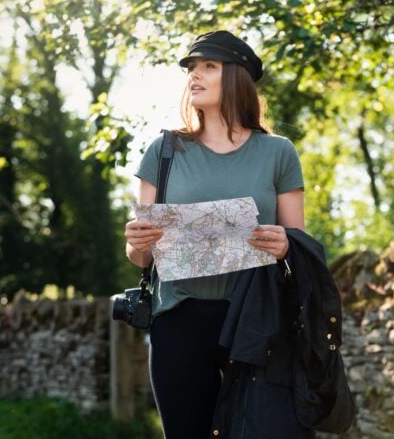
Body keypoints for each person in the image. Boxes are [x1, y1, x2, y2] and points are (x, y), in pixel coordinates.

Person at [124, 30, 307, 438]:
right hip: (179, 321)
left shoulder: (279, 152)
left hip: (255, 318)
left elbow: (300, 247)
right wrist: (136, 243)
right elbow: (141, 257)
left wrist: (285, 245)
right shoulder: (164, 150)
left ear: (237, 76)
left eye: (208, 66)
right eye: (191, 67)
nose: (195, 75)